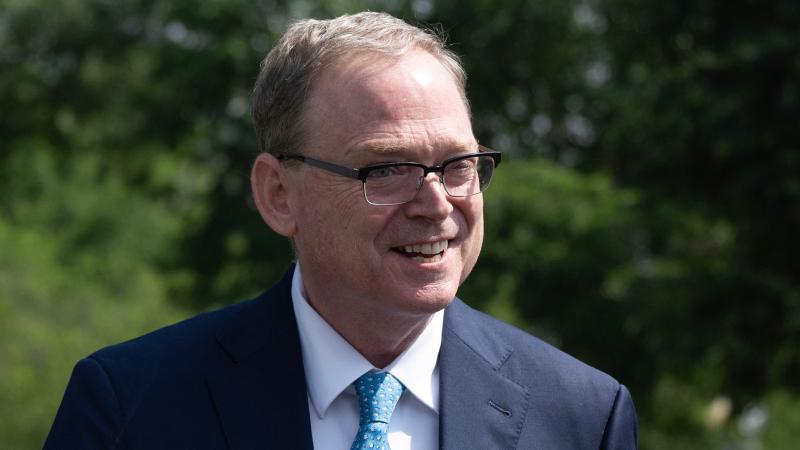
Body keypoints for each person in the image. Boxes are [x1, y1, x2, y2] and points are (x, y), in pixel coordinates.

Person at [45, 11, 637, 450]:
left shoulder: (583, 416)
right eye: (387, 169)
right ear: (279, 195)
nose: (436, 203)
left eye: (458, 165)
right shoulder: (131, 407)